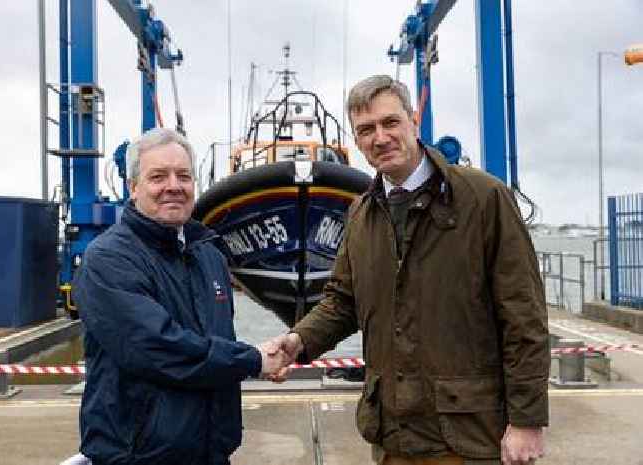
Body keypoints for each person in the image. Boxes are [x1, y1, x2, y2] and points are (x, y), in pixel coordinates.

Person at [267, 75, 549, 465]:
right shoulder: (361, 214)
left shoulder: (483, 199)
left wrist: (527, 420)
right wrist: (298, 341)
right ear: (357, 140)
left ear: (414, 122)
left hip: (469, 438)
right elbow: (343, 302)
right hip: (393, 438)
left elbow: (524, 316)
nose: (380, 138)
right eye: (366, 130)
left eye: (390, 122)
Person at [72, 127, 288, 465]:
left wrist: (262, 356)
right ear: (133, 187)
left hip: (211, 451)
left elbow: (216, 338)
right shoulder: (107, 260)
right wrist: (253, 360)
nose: (173, 186)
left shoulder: (209, 256)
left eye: (183, 176)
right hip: (139, 456)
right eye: (158, 176)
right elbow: (159, 348)